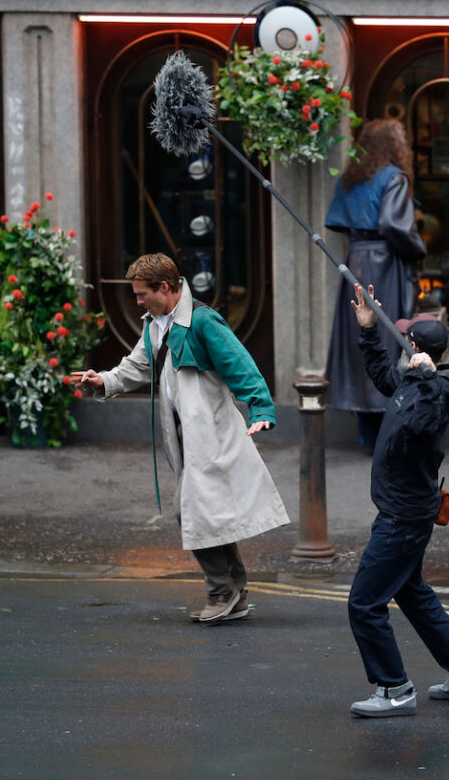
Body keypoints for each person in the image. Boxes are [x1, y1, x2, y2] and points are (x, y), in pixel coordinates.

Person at [73, 253, 289, 622]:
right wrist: (103, 381)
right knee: (209, 512)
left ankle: (222, 591)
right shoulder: (154, 323)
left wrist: (262, 410)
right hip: (184, 435)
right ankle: (234, 590)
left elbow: (241, 366)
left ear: (165, 287)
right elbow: (138, 365)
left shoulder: (203, 321)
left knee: (190, 510)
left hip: (212, 434)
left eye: (142, 294)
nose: (137, 301)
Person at [345, 284, 449, 718]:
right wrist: (369, 330)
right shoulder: (414, 383)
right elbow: (382, 376)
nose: (401, 342)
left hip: (403, 517)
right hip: (403, 509)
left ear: (415, 347)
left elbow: (421, 423)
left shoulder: (433, 393)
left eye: (405, 337)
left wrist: (425, 378)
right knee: (410, 592)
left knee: (364, 603)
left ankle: (394, 688)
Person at [323, 119, 427, 453]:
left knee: (361, 340)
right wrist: (419, 248)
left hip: (355, 261)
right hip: (384, 264)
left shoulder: (352, 178)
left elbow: (338, 221)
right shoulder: (394, 177)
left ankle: (366, 433)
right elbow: (394, 226)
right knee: (388, 337)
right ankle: (387, 434)